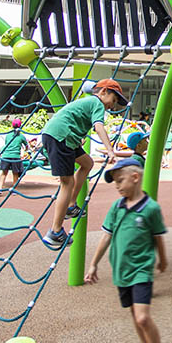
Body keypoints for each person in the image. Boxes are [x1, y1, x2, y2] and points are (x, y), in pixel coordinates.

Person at [85, 157, 172, 343]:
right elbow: (106, 236)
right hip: (121, 270)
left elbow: (157, 237)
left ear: (135, 177)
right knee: (134, 313)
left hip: (141, 270)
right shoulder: (117, 207)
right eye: (115, 182)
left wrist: (162, 260)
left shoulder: (151, 208)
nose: (117, 186)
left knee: (143, 317)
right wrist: (93, 264)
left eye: (120, 180)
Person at [40, 79, 126, 247]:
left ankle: (71, 205)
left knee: (87, 163)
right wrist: (109, 149)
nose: (113, 106)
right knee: (67, 182)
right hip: (60, 136)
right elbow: (99, 126)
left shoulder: (89, 101)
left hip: (64, 136)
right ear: (103, 92)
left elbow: (75, 117)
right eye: (113, 100)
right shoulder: (97, 103)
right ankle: (55, 231)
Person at [0, 118, 27, 192]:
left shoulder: (8, 135)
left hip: (6, 155)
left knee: (4, 173)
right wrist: (26, 150)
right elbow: (26, 146)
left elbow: (6, 144)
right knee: (15, 173)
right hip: (15, 156)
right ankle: (14, 190)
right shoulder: (21, 136)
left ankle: (0, 188)